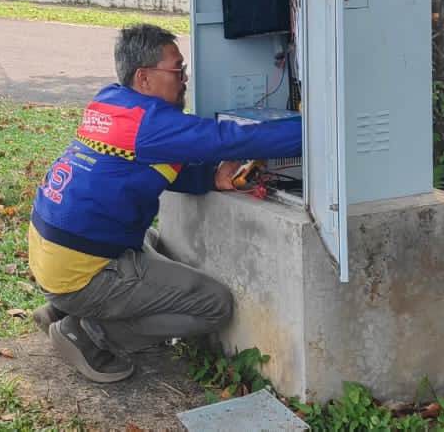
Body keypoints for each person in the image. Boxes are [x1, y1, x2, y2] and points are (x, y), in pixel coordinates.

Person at [27, 23, 301, 383]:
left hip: (53, 254)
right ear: (144, 77)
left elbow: (148, 165)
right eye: (177, 69)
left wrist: (209, 178)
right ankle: (88, 333)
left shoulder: (109, 100)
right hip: (82, 271)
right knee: (214, 305)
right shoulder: (151, 125)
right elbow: (227, 139)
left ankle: (63, 309)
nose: (184, 78)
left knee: (153, 242)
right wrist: (320, 127)